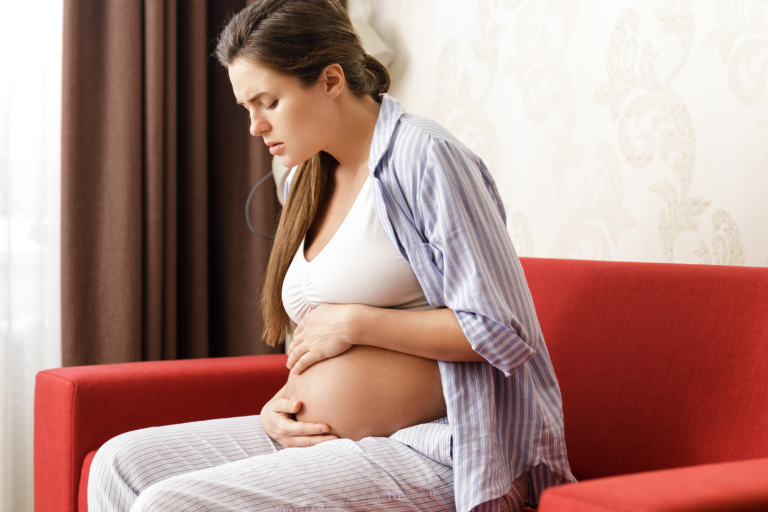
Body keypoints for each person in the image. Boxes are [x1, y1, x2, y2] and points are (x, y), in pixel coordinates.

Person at [88, 1, 575, 511]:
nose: (254, 127)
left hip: (436, 449)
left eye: (268, 102)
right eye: (245, 108)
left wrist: (358, 323)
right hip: (320, 438)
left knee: (169, 504)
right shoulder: (307, 177)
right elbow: (316, 336)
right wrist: (280, 404)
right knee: (119, 464)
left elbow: (504, 330)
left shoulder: (423, 156)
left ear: (331, 80)